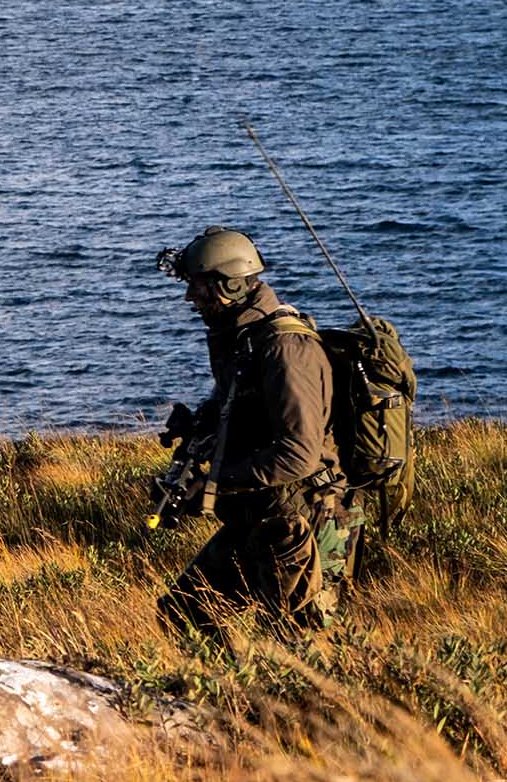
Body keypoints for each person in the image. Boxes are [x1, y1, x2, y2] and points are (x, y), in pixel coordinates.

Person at [153, 226, 358, 635]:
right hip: (262, 516)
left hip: (303, 523)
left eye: (198, 287)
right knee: (185, 616)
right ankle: (226, 697)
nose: (190, 298)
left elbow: (299, 453)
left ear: (229, 283)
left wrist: (214, 483)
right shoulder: (242, 341)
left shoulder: (284, 349)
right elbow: (235, 409)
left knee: (301, 647)